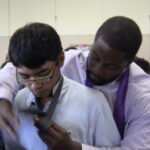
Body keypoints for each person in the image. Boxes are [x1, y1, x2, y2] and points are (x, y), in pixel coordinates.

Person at [0, 16, 150, 150]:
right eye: (95, 57)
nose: (97, 70)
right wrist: (3, 97)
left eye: (110, 66)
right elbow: (18, 65)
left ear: (129, 63)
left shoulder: (141, 97)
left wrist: (75, 148)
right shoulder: (72, 60)